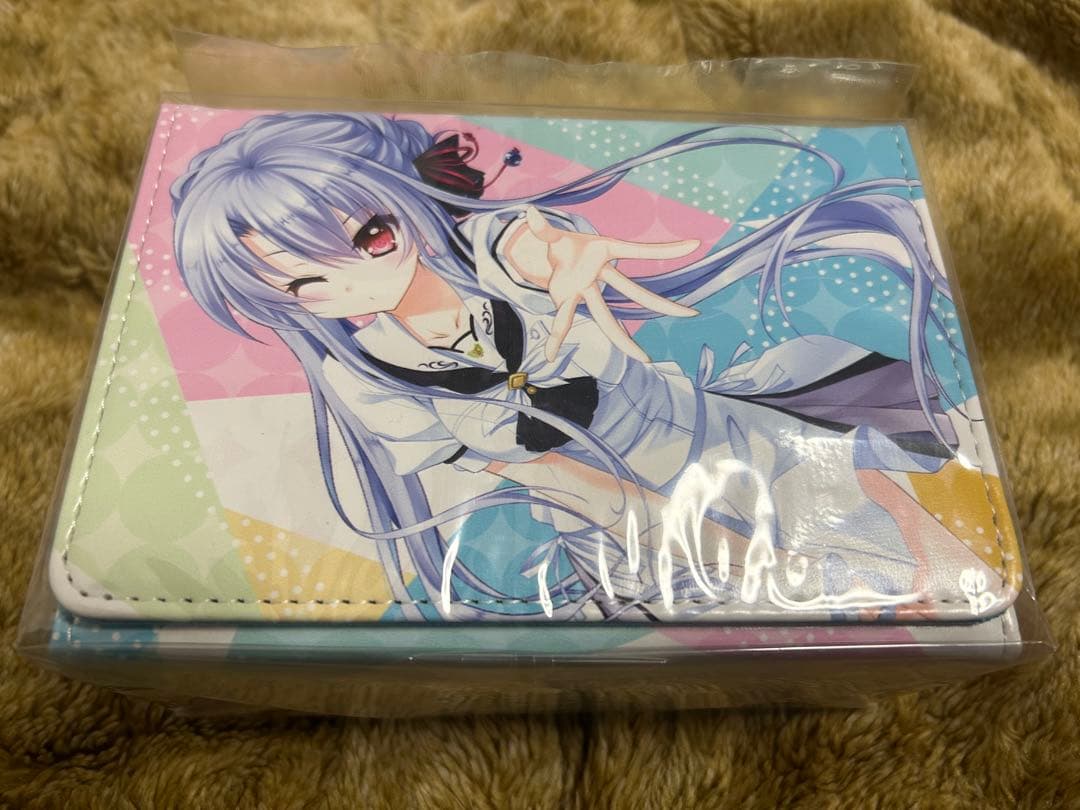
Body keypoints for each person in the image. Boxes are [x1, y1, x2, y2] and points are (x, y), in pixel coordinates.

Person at [171, 112, 991, 621]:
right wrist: (757, 563)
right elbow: (557, 482)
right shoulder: (366, 376)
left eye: (369, 235)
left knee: (917, 558)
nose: (352, 281)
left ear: (405, 194)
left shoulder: (493, 248)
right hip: (623, 525)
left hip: (725, 441)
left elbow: (535, 245)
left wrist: (567, 253)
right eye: (305, 284)